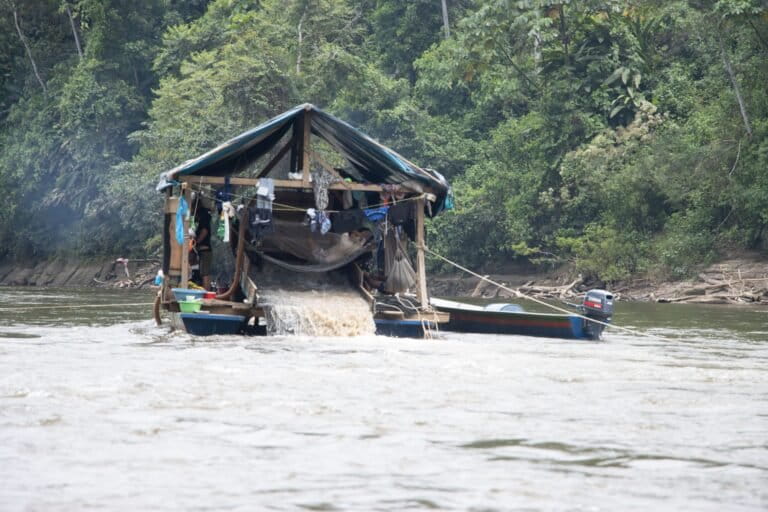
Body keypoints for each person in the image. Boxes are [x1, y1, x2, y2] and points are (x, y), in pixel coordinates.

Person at [193, 201, 212, 290]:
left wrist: (196, 242)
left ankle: (206, 292)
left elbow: (204, 232)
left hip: (205, 250)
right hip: (203, 251)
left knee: (205, 273)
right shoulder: (202, 220)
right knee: (203, 272)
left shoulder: (204, 219)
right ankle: (205, 290)